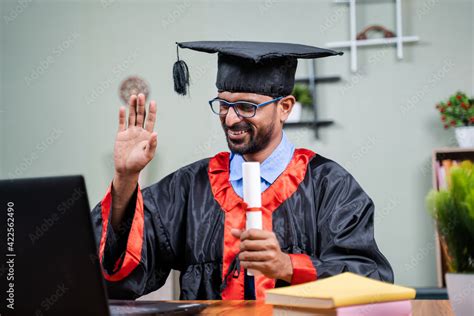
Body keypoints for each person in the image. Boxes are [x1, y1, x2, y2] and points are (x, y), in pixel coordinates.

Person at [91, 41, 393, 300]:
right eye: (223, 104)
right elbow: (117, 270)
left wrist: (288, 266)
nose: (232, 119)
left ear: (285, 107)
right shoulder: (191, 185)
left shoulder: (329, 186)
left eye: (247, 106)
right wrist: (126, 179)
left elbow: (370, 283)